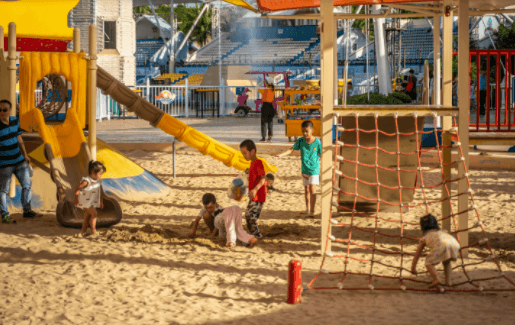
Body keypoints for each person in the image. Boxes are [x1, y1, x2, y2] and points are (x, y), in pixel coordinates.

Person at [0, 99, 39, 224]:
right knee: (3, 190)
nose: (2, 112)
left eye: (4, 110)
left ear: (10, 110)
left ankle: (27, 211)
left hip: (19, 160)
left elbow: (20, 139)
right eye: (0, 110)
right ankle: (5, 215)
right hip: (5, 164)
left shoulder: (14, 121)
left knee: (27, 185)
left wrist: (25, 155)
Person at [275, 120, 321, 217]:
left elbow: (322, 154)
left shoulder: (317, 142)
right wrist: (281, 155)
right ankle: (307, 209)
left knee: (313, 189)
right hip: (304, 169)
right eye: (303, 131)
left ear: (312, 131)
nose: (304, 133)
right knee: (306, 190)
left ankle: (312, 211)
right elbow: (292, 150)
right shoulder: (300, 141)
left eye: (306, 131)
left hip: (314, 169)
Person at [411, 214, 460, 288]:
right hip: (454, 243)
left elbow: (417, 253)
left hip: (441, 246)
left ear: (422, 228)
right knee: (446, 262)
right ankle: (448, 281)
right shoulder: (442, 232)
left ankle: (436, 279)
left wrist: (413, 267)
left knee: (428, 262)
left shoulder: (426, 237)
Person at [240, 139, 267, 238]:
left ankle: (257, 235)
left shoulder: (258, 162)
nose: (244, 156)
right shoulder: (252, 163)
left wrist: (255, 189)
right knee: (248, 215)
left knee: (250, 216)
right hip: (253, 195)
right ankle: (253, 234)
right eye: (242, 153)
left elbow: (263, 178)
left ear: (252, 152)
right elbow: (254, 175)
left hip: (258, 195)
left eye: (245, 153)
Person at [73, 161, 106, 236]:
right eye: (100, 174)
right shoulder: (87, 181)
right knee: (94, 214)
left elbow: (99, 192)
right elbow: (78, 188)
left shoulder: (97, 182)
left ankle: (82, 232)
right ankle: (93, 230)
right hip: (85, 202)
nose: (100, 176)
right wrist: (76, 198)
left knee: (87, 217)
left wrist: (101, 201)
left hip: (90, 202)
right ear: (93, 173)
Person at [258, 77, 275, 142]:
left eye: (266, 82)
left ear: (268, 83)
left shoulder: (265, 90)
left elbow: (257, 87)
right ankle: (270, 137)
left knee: (264, 123)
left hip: (265, 106)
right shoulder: (273, 90)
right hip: (271, 106)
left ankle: (263, 137)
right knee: (270, 122)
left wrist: (262, 82)